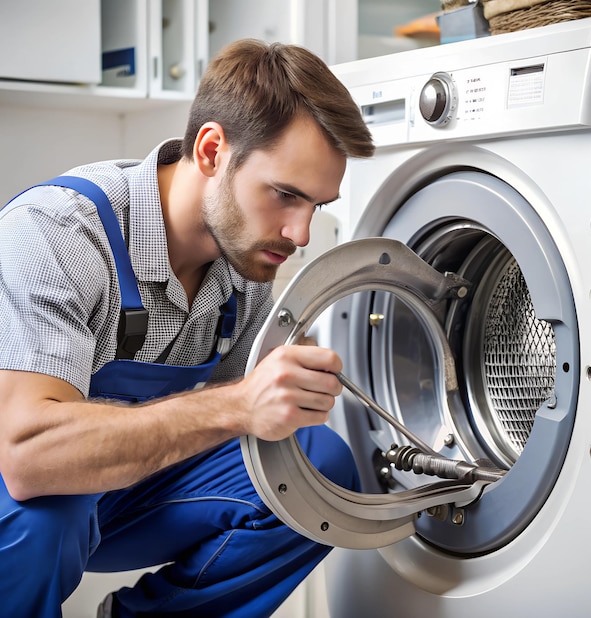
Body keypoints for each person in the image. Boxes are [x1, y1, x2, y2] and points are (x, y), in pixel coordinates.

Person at [0, 39, 374, 617]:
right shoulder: (59, 232)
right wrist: (237, 405)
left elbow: (244, 437)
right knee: (54, 502)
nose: (300, 233)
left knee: (317, 471)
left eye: (316, 206)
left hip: (118, 493)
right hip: (24, 494)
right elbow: (29, 456)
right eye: (285, 195)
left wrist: (277, 400)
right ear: (212, 150)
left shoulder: (246, 262)